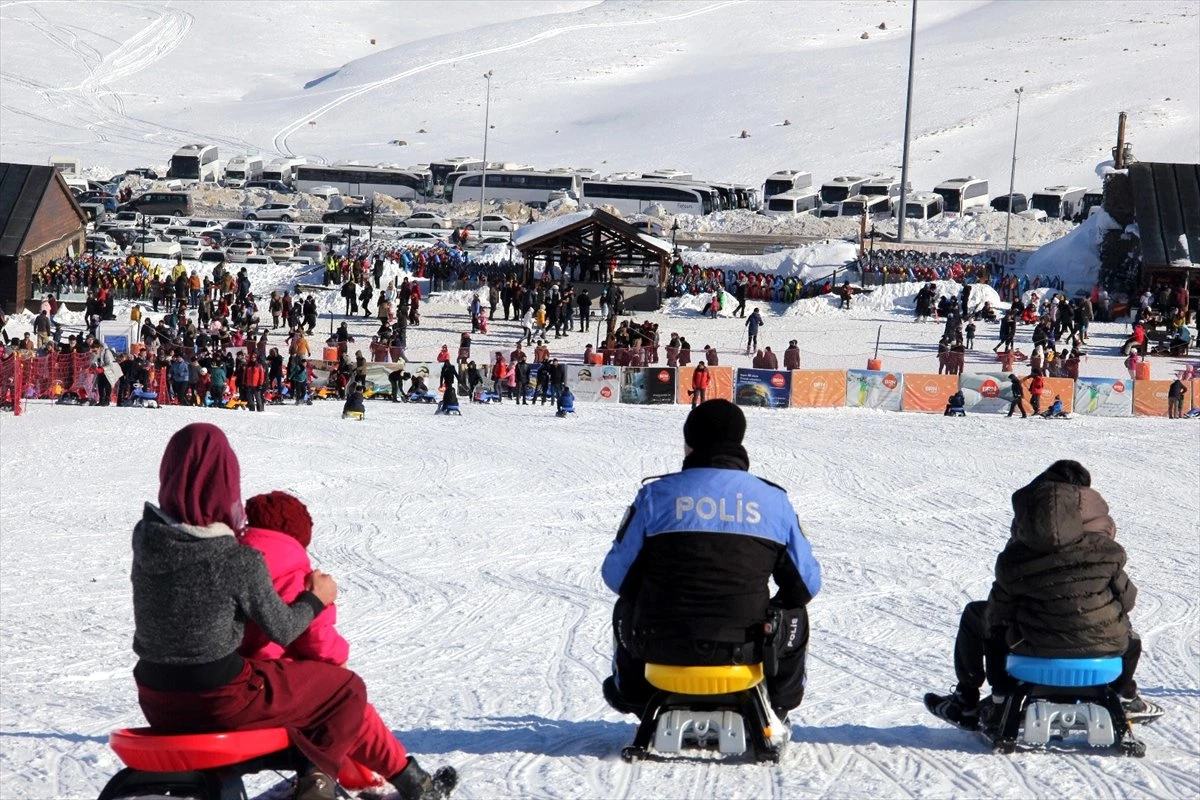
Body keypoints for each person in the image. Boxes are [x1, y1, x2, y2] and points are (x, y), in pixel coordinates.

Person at [129, 424, 456, 800]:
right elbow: (283, 628)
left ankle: (393, 777)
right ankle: (317, 781)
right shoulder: (236, 559)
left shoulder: (145, 539)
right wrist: (318, 597)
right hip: (219, 700)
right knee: (347, 690)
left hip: (155, 698)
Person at [601, 400, 821, 722]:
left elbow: (616, 577)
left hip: (662, 644)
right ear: (739, 442)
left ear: (689, 444)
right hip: (745, 648)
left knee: (626, 606)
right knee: (795, 614)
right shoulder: (773, 501)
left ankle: (634, 694)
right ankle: (779, 703)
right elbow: (805, 586)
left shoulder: (655, 496)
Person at [925, 460, 1161, 732]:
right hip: (1102, 649)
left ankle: (973, 700)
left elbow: (999, 611)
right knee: (1126, 632)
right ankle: (1125, 694)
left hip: (1031, 646)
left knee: (982, 620)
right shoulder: (1107, 552)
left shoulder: (1017, 555)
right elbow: (1128, 601)